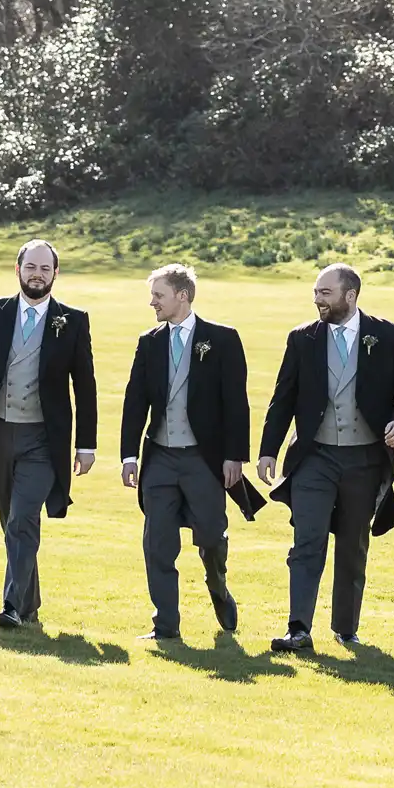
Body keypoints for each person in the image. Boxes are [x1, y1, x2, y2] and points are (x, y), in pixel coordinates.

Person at [257, 264, 394, 654]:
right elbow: (284, 397)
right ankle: (298, 628)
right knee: (307, 540)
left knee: (352, 544)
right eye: (316, 292)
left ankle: (346, 629)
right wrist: (268, 449)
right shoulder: (302, 339)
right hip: (314, 457)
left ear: (350, 295)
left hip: (365, 460)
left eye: (325, 293)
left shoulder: (388, 335)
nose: (317, 299)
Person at [0, 239, 98, 630]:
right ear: (18, 270)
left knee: (24, 517)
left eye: (46, 269)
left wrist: (87, 444)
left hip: (43, 441)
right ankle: (29, 604)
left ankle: (10, 606)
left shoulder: (73, 321)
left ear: (55, 275)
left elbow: (86, 386)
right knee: (11, 519)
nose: (37, 274)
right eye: (31, 267)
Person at [118, 264, 264, 641]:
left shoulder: (223, 339)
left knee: (212, 537)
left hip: (204, 460)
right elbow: (135, 402)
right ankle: (165, 625)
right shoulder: (149, 342)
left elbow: (236, 403)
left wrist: (235, 456)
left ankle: (218, 586)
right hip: (161, 459)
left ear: (182, 296)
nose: (152, 302)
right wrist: (129, 456)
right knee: (157, 543)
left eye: (158, 295)